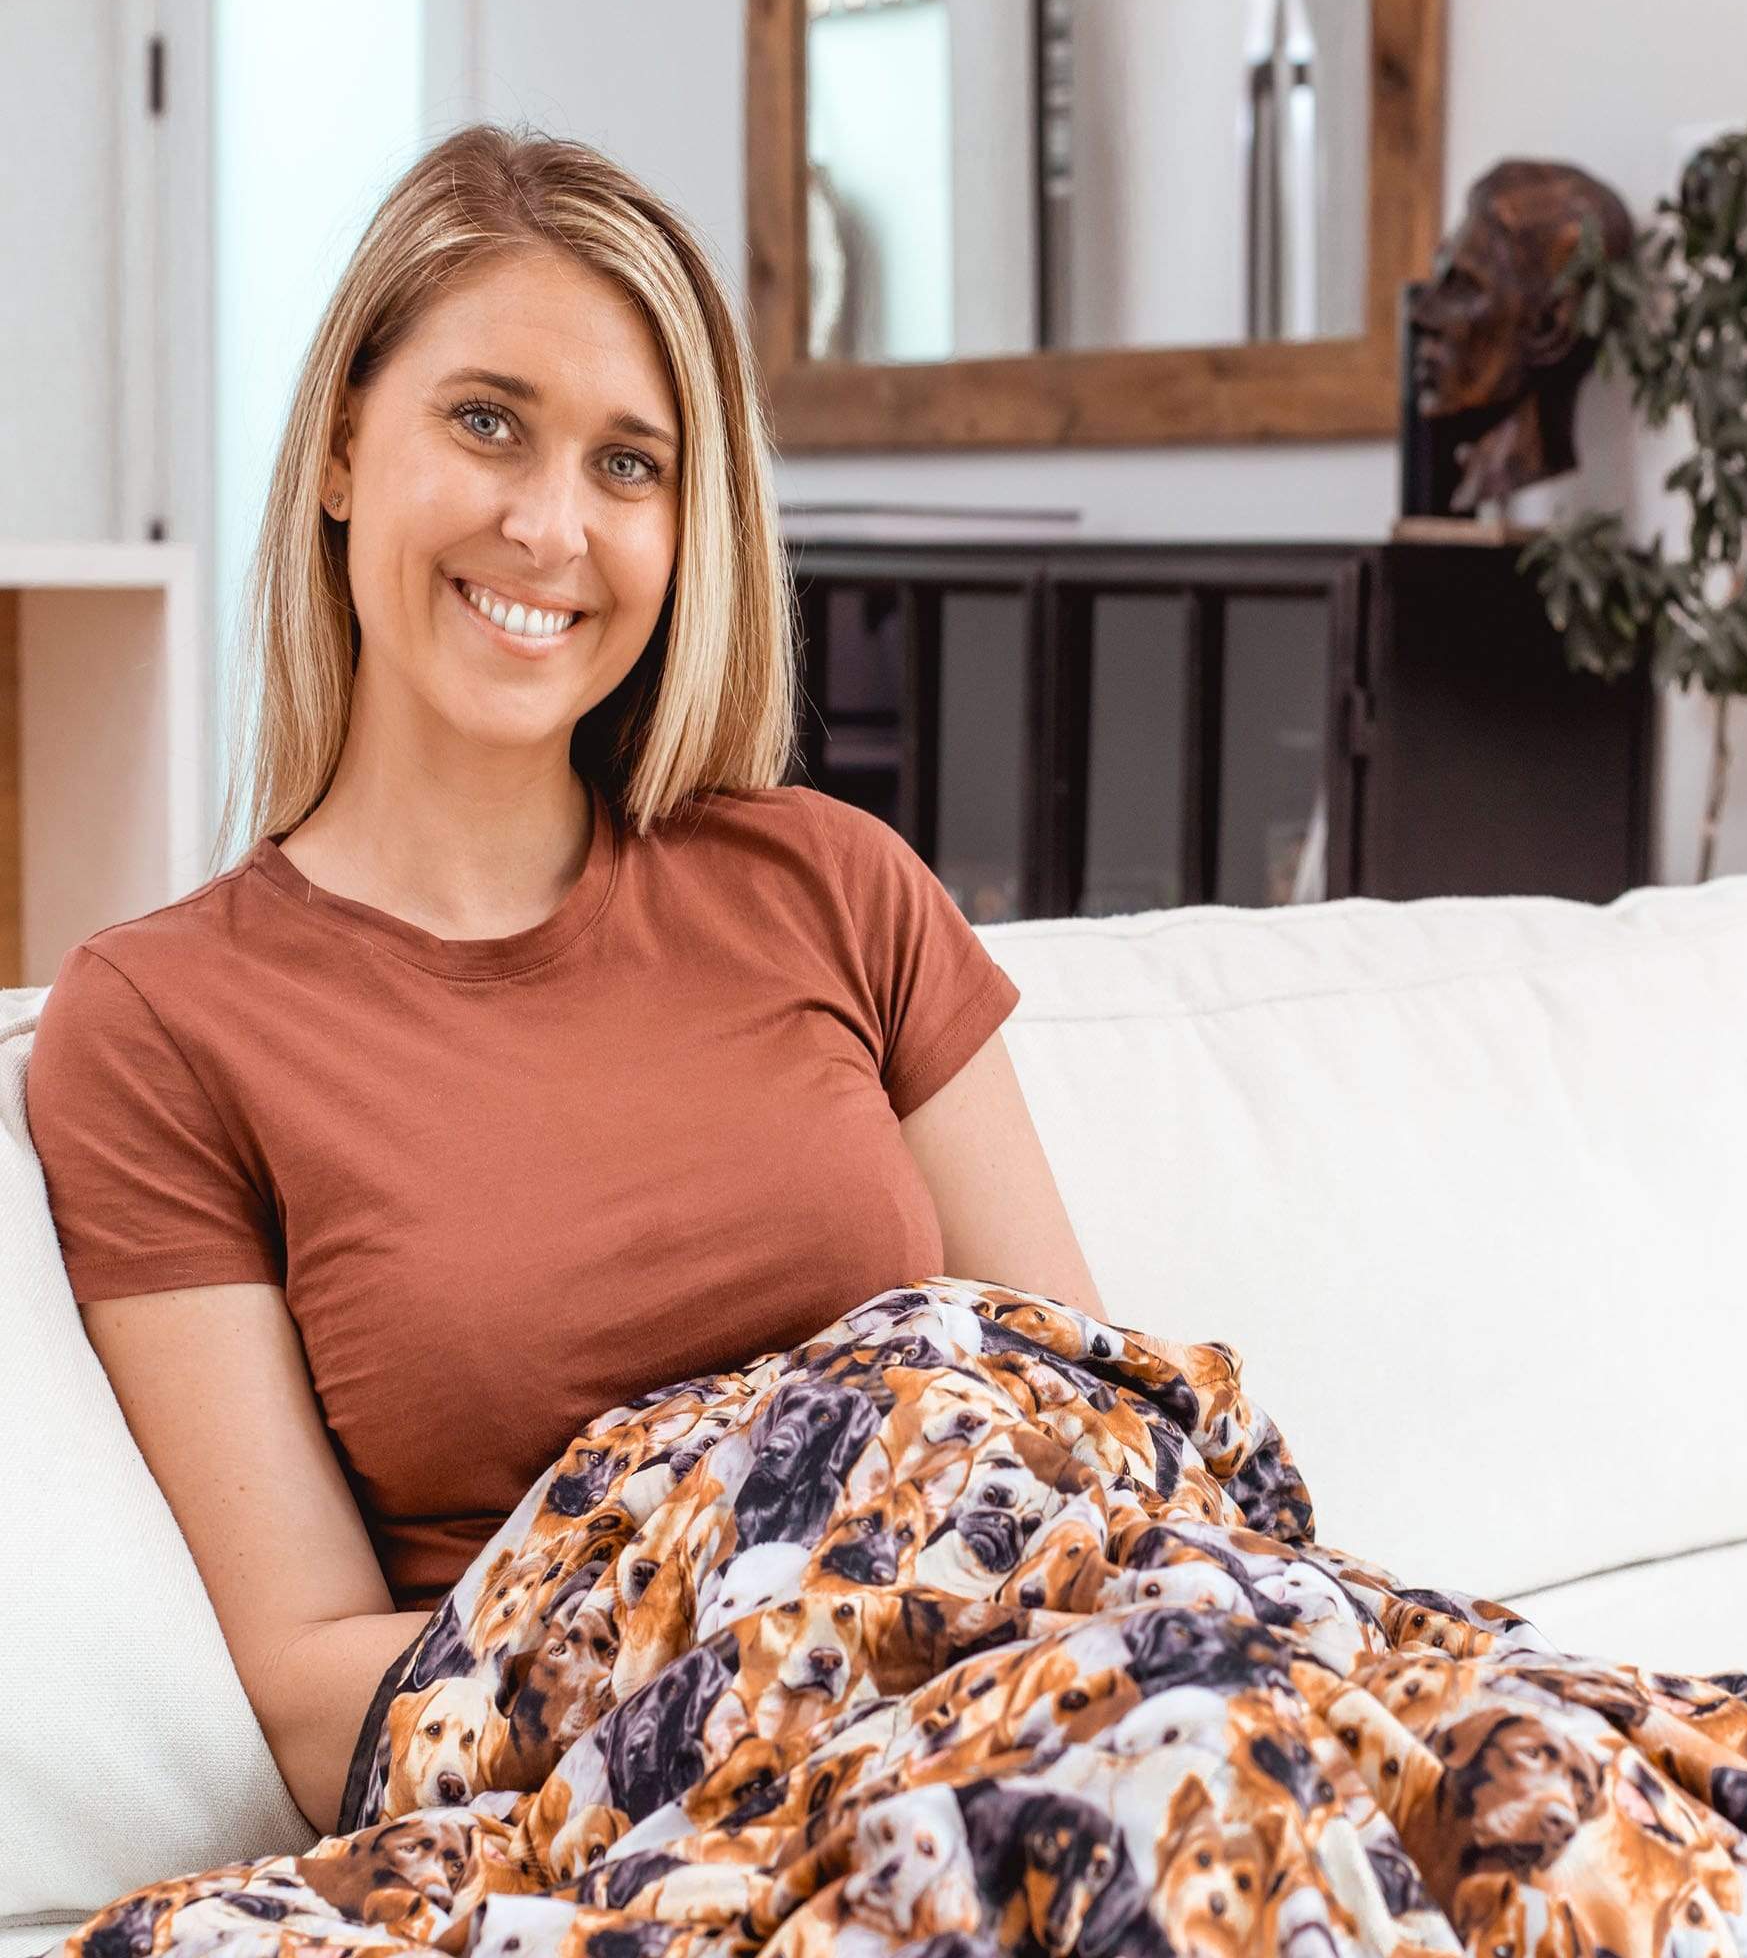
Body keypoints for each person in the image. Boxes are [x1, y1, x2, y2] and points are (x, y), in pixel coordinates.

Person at [23, 124, 1106, 1843]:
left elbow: (1089, 1426)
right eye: (486, 422)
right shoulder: (161, 1027)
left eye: (628, 464)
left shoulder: (831, 885)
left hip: (1052, 1708)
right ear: (341, 449)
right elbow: (310, 1697)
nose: (549, 526)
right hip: (658, 1827)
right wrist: (778, 1667)